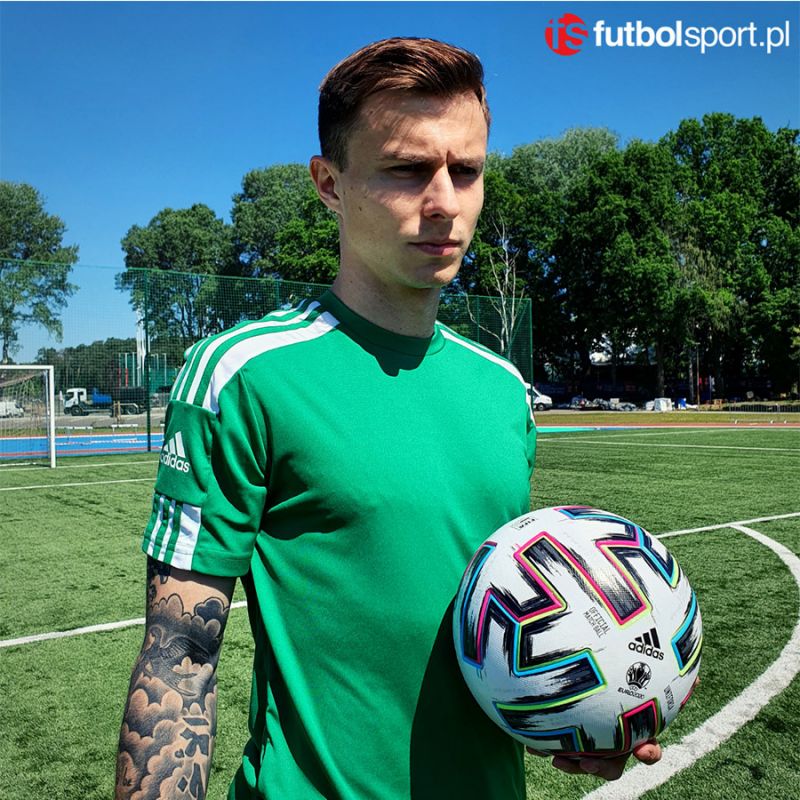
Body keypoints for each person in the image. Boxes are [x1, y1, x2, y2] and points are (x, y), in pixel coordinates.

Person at [115, 37, 660, 800]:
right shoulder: (244, 374)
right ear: (329, 184)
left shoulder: (503, 389)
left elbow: (492, 628)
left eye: (465, 171)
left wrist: (581, 712)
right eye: (406, 169)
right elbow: (179, 660)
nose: (444, 202)